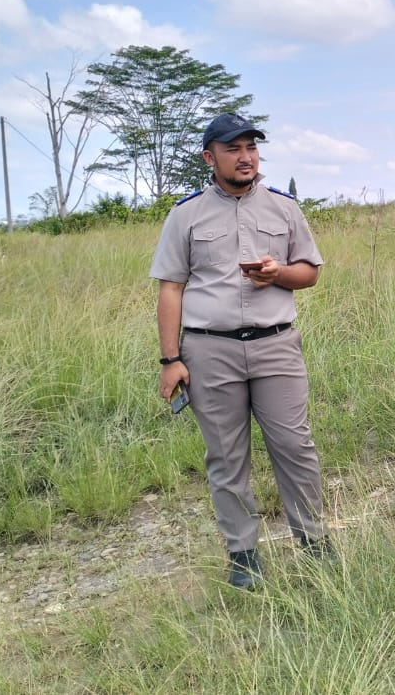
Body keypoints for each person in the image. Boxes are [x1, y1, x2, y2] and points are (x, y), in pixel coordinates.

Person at [150, 113, 330, 590]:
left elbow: (309, 272)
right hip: (211, 350)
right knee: (226, 456)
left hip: (275, 344)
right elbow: (171, 289)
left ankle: (313, 541)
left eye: (251, 147)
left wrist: (279, 274)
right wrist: (171, 361)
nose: (246, 156)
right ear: (210, 157)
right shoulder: (185, 215)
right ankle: (243, 554)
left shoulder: (284, 208)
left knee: (295, 445)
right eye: (233, 148)